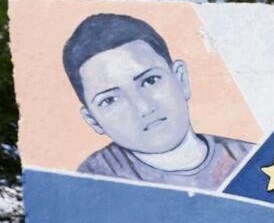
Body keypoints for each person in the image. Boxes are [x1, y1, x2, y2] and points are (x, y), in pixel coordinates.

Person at [62, 13, 254, 190]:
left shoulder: (251, 160)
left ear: (181, 79)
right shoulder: (95, 181)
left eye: (150, 81)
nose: (143, 108)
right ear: (93, 120)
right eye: (110, 100)